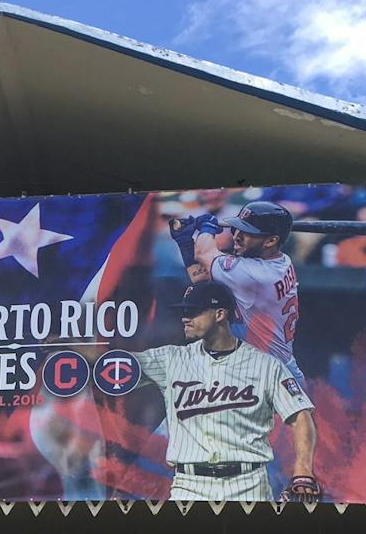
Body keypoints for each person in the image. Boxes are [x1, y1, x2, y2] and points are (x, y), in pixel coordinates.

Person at [126, 281, 319, 502]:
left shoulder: (265, 365)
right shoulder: (170, 359)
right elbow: (112, 366)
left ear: (220, 314)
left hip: (249, 483)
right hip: (189, 485)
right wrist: (82, 354)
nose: (185, 318)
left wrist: (303, 468)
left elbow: (301, 415)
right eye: (183, 311)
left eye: (193, 311)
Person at [170, 200, 304, 383]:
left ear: (272, 240)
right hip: (264, 368)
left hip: (269, 376)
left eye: (248, 233)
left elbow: (203, 252)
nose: (237, 236)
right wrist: (186, 243)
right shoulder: (281, 261)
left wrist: (208, 226)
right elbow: (203, 282)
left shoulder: (253, 275)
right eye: (236, 229)